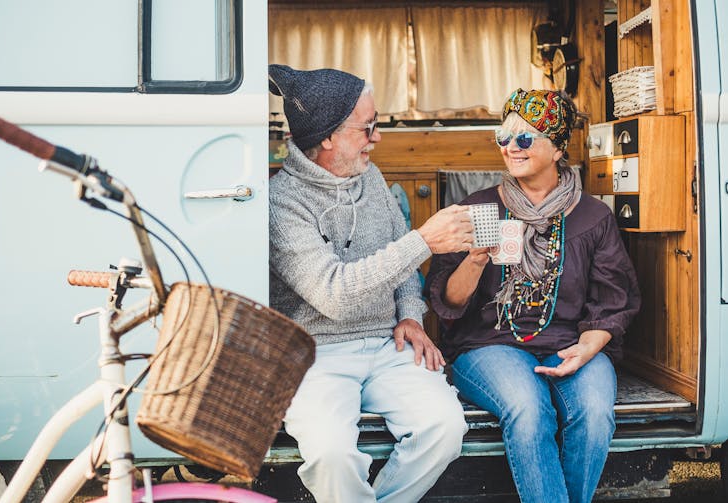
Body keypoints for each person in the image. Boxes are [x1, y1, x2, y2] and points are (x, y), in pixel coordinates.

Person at [267, 64, 472, 503]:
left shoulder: (371, 178)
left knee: (446, 429)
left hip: (386, 347)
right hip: (314, 355)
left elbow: (402, 270)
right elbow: (335, 295)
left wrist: (412, 317)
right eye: (368, 127)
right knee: (331, 456)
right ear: (327, 137)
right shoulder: (281, 204)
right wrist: (424, 241)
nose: (377, 137)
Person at [425, 89, 641, 503]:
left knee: (595, 413)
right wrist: (473, 261)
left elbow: (614, 301)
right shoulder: (478, 208)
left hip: (569, 344)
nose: (511, 148)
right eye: (503, 137)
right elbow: (448, 305)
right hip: (489, 345)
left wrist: (587, 347)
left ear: (558, 147)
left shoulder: (593, 217)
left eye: (525, 139)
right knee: (528, 410)